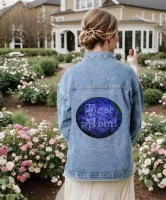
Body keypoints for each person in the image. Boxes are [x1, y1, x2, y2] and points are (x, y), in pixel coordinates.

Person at [56, 8, 144, 200]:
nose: (118, 39)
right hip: (117, 165)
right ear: (110, 36)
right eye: (117, 34)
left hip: (80, 165)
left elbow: (65, 124)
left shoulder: (70, 75)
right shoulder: (127, 74)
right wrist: (117, 142)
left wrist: (84, 143)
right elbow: (135, 124)